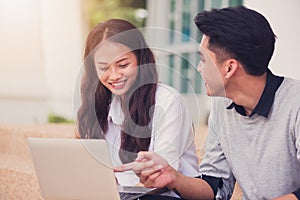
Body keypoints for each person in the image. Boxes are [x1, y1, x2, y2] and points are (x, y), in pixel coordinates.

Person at [114, 6, 300, 200]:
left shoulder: (295, 103)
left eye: (203, 59)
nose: (199, 68)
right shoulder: (223, 105)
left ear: (229, 68)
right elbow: (213, 188)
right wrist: (173, 178)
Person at [76, 19, 199, 198]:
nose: (114, 75)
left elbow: (162, 176)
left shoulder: (167, 101)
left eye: (123, 65)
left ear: (141, 59)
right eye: (103, 68)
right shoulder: (104, 107)